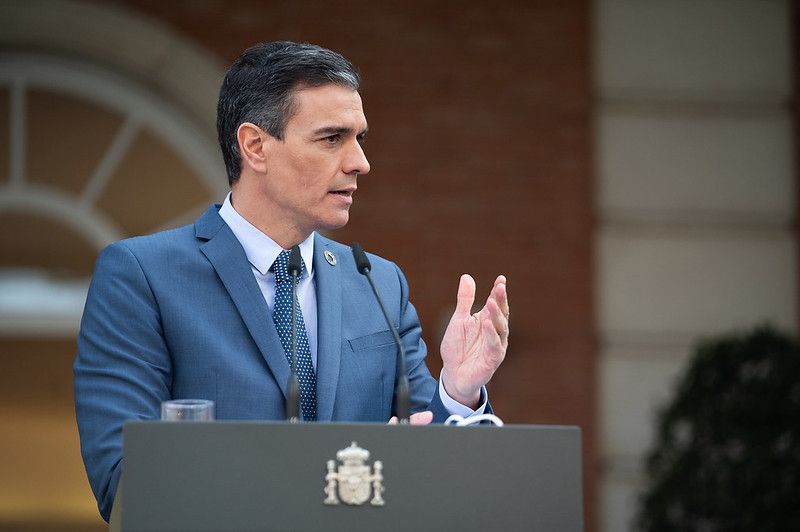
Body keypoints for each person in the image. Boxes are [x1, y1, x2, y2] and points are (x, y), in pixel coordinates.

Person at [74, 41, 509, 522]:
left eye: (360, 138)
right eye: (332, 138)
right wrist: (316, 481)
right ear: (255, 146)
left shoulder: (380, 284)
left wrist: (458, 392)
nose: (360, 162)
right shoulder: (141, 275)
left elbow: (431, 457)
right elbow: (124, 482)